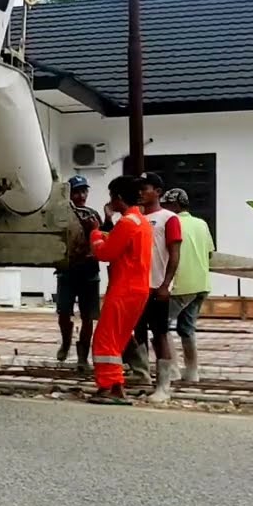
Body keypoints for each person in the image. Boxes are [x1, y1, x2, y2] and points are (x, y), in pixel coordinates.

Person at [86, 175, 153, 405]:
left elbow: (105, 253)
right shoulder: (140, 222)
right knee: (116, 341)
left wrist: (95, 233)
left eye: (111, 196)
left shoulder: (127, 223)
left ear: (118, 197)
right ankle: (115, 386)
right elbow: (119, 244)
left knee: (105, 340)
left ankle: (110, 388)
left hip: (124, 289)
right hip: (138, 290)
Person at [123, 171, 182, 403]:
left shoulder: (169, 218)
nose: (141, 192)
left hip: (156, 286)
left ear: (157, 192)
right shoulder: (135, 218)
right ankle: (142, 375)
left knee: (159, 335)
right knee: (135, 333)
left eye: (145, 188)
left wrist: (166, 283)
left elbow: (175, 253)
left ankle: (163, 385)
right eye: (139, 188)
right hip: (136, 286)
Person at [161, 188, 215, 383]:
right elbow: (209, 253)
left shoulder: (170, 223)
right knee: (187, 328)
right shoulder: (201, 223)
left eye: (166, 205)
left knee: (161, 325)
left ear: (174, 205)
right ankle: (192, 372)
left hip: (181, 285)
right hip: (201, 284)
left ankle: (172, 370)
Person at [55, 175, 102, 372]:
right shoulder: (61, 215)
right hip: (67, 271)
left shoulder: (93, 215)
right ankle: (66, 342)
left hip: (89, 272)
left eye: (84, 191)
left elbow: (104, 237)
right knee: (64, 313)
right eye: (76, 192)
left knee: (87, 316)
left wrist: (100, 225)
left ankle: (83, 356)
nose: (81, 195)